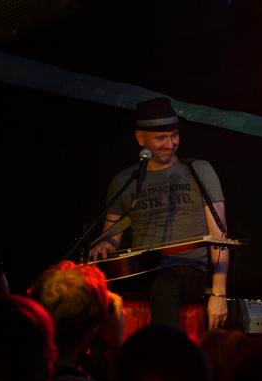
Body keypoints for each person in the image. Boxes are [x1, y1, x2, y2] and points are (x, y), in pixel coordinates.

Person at [89, 97, 229, 331]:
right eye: (160, 138)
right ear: (140, 138)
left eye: (174, 135)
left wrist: (218, 293)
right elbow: (110, 236)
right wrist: (104, 245)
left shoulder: (199, 171)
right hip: (141, 270)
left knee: (165, 283)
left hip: (187, 270)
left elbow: (220, 237)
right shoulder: (125, 181)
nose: (170, 144)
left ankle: (164, 351)